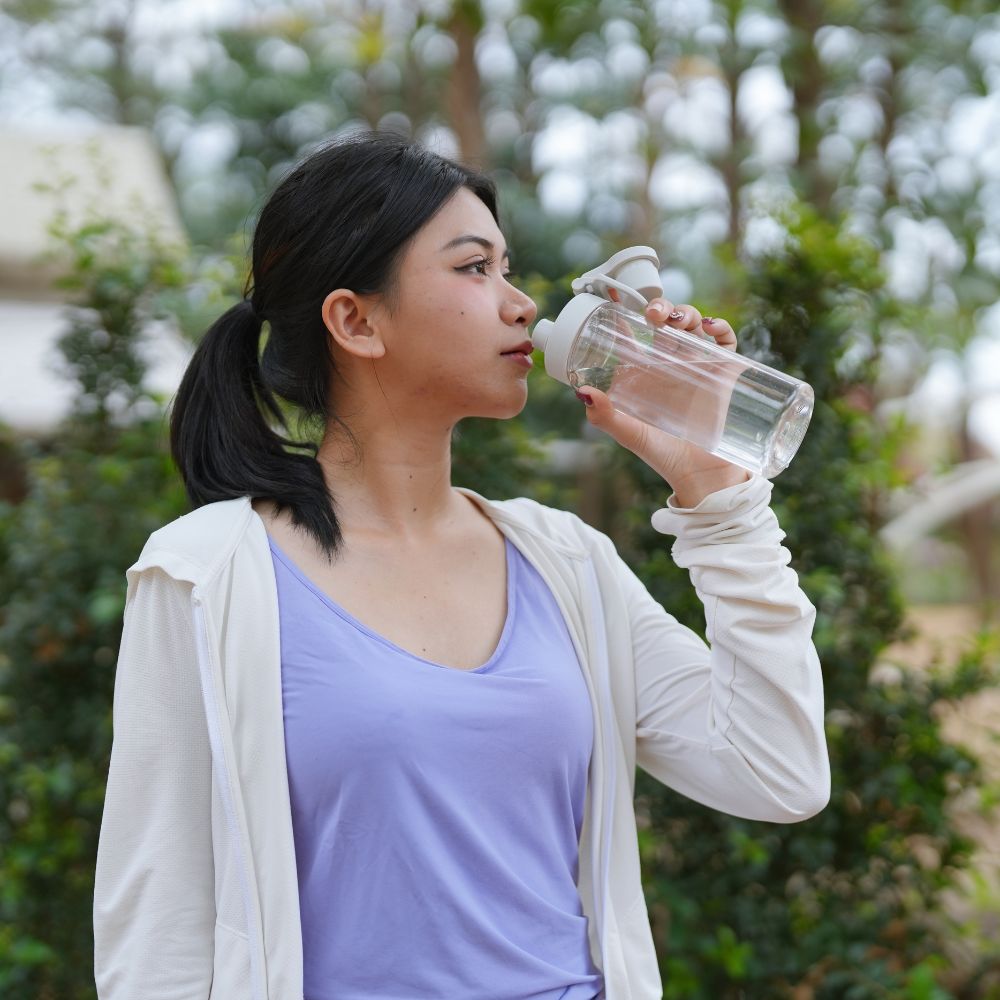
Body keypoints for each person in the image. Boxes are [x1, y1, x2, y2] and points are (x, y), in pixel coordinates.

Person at [93, 129, 830, 1000]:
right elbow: (157, 934)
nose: (520, 304)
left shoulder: (567, 564)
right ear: (355, 320)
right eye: (475, 268)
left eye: (505, 267)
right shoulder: (206, 576)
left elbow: (777, 772)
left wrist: (717, 498)